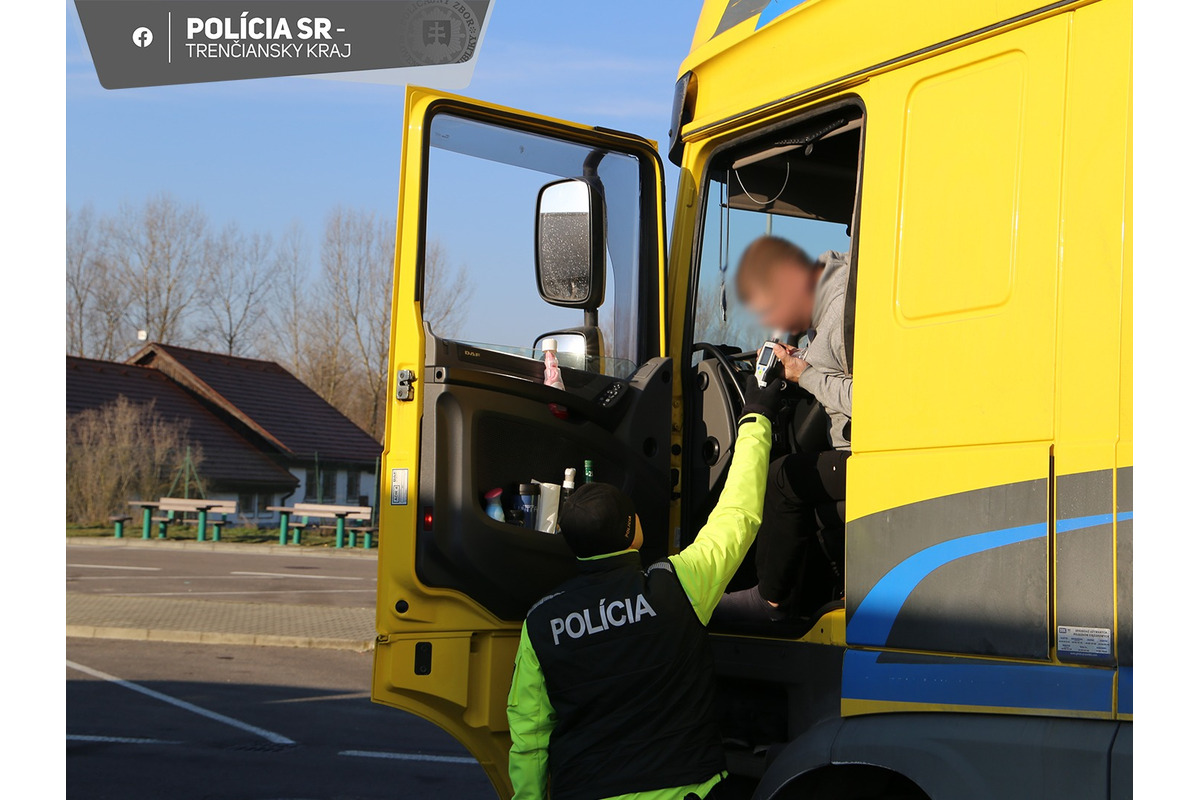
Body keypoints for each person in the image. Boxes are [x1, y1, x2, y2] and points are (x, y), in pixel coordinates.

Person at [506, 371, 785, 800]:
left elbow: (529, 738)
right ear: (633, 530)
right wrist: (757, 414)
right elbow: (738, 515)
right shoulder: (676, 585)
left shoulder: (542, 622)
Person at [714, 235, 853, 625]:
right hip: (853, 448)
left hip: (869, 454)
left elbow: (873, 401)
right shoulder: (830, 287)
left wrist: (805, 373)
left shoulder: (846, 314)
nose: (777, 324)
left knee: (783, 477)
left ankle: (771, 602)